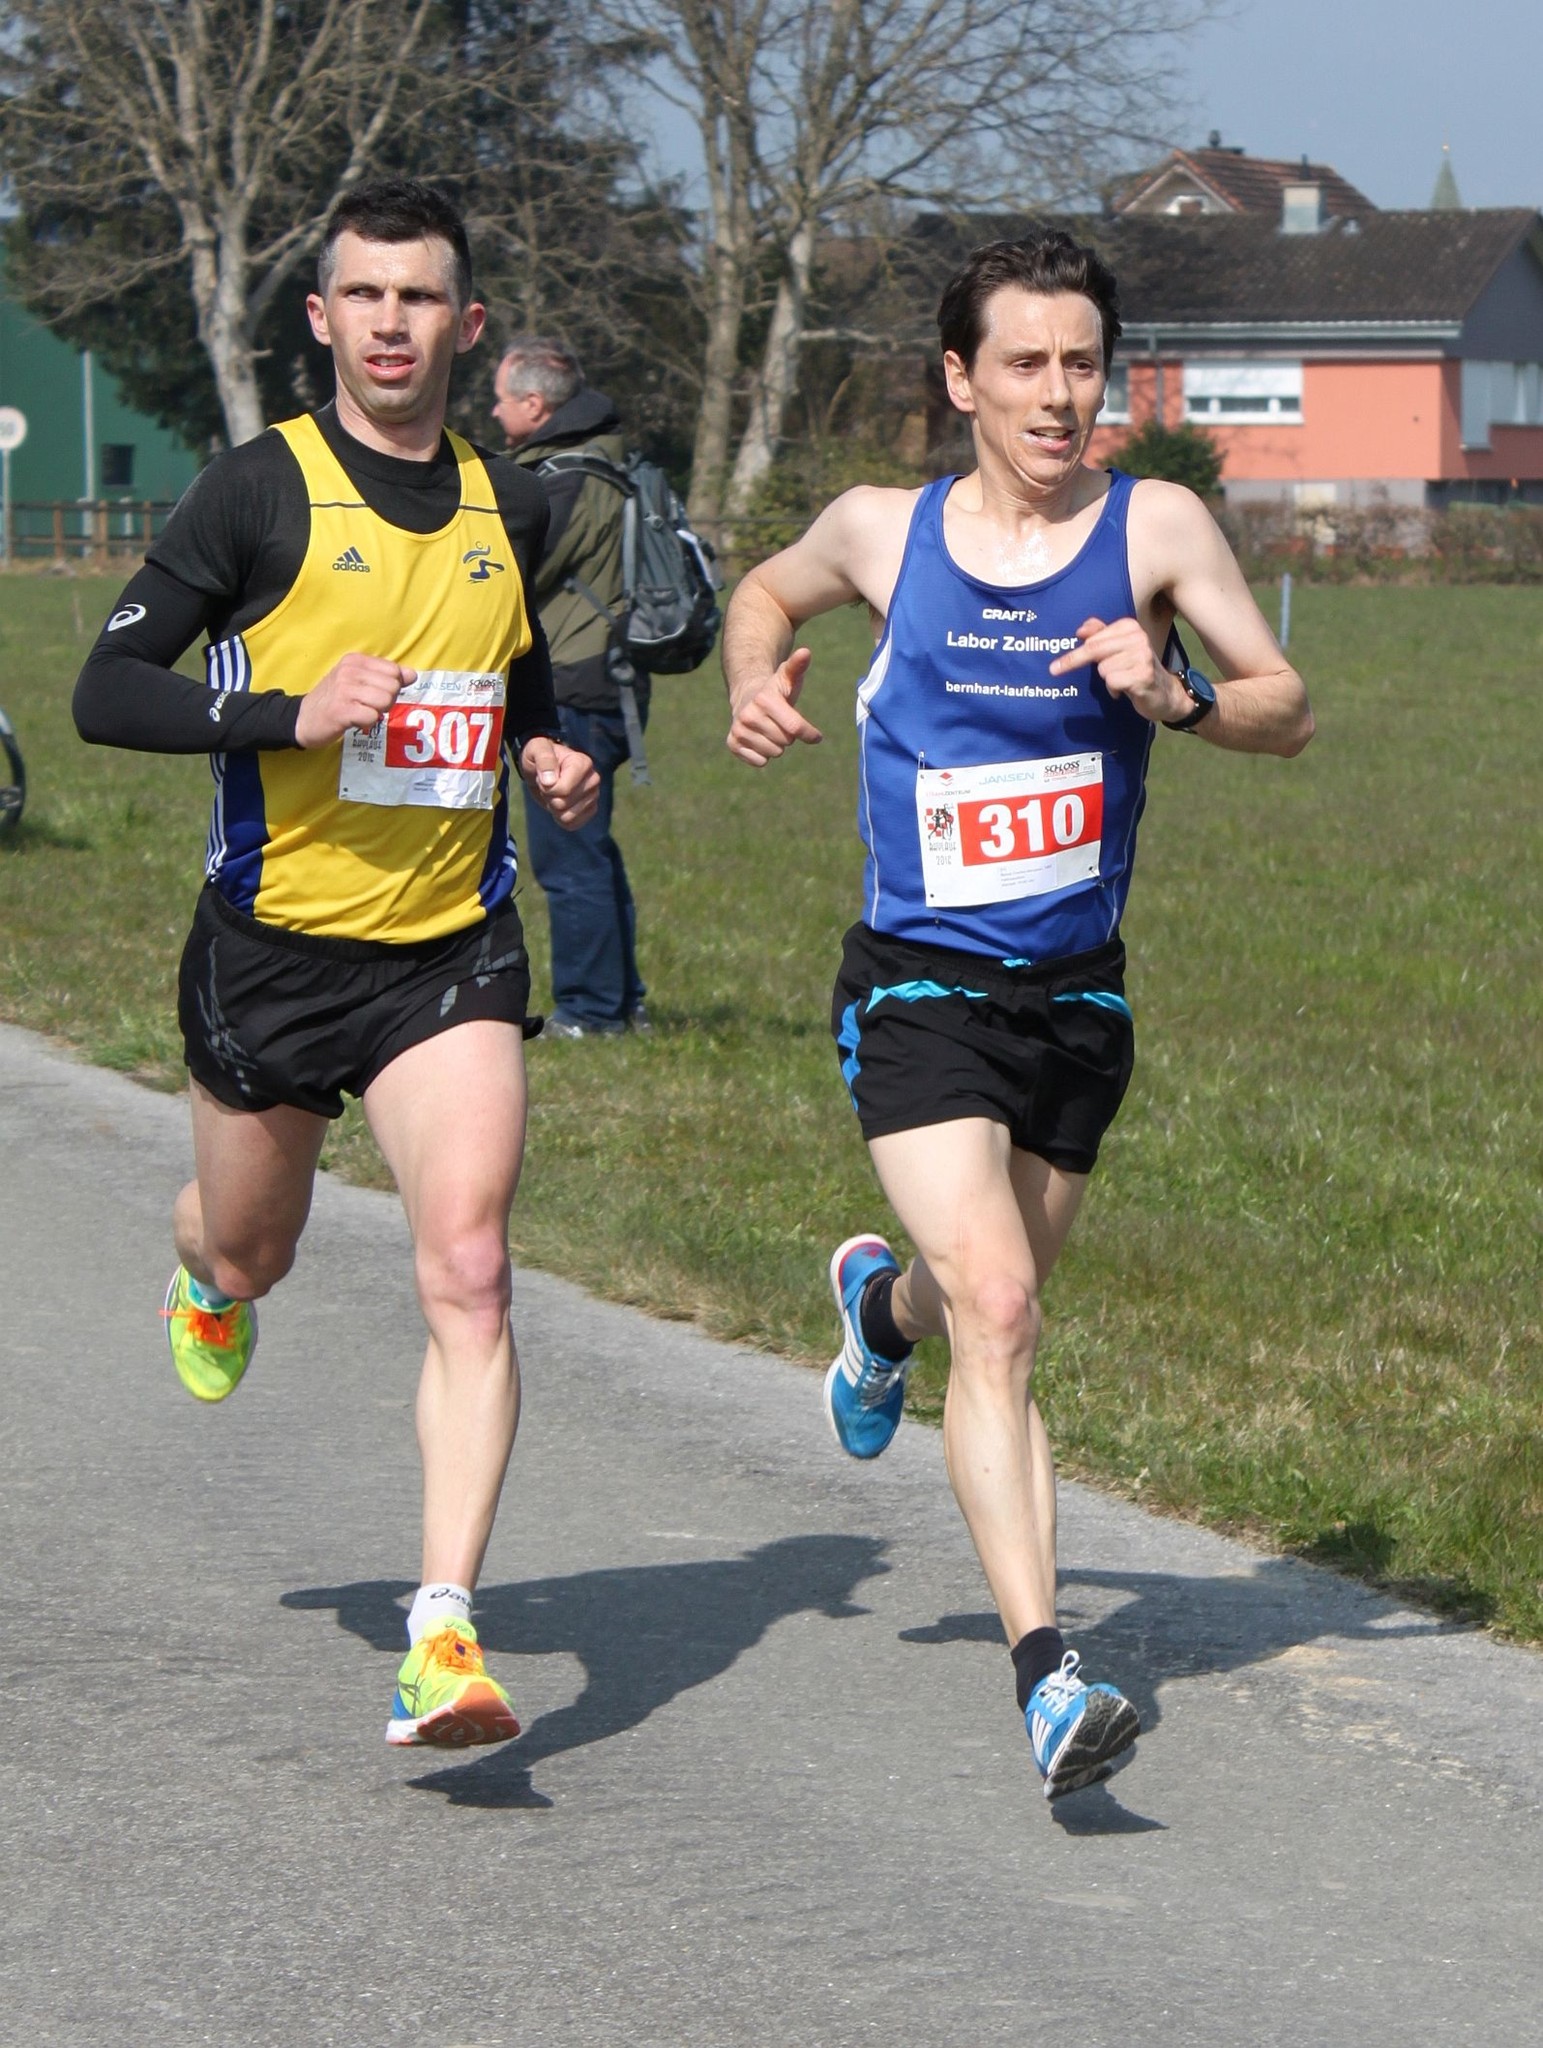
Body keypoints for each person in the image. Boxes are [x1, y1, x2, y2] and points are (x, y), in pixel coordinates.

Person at [723, 230, 1314, 1799]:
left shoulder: (1153, 528)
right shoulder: (878, 528)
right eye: (1026, 364)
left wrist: (1175, 693)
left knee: (966, 1303)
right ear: (959, 378)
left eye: (1080, 364)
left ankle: (872, 1318)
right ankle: (1048, 1675)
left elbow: (1286, 707)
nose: (1059, 397)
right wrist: (752, 674)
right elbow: (761, 594)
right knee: (1000, 1310)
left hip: (1075, 1001)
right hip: (917, 986)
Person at [73, 179, 600, 1750]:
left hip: (449, 952)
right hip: (273, 957)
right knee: (255, 1251)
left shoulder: (515, 504)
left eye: (420, 297)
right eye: (363, 297)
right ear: (322, 319)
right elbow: (105, 689)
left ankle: (441, 1632)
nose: (390, 323)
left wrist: (557, 760)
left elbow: (512, 696)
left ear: (466, 323)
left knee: (469, 1266)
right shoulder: (257, 494)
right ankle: (204, 1269)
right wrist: (279, 715)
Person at [492, 337, 649, 1037]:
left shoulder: (564, 477)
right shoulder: (610, 461)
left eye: (500, 400)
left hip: (572, 684)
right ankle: (622, 1000)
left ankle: (589, 1010)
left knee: (569, 855)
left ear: (533, 404)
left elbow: (509, 575)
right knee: (593, 847)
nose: (494, 415)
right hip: (609, 678)